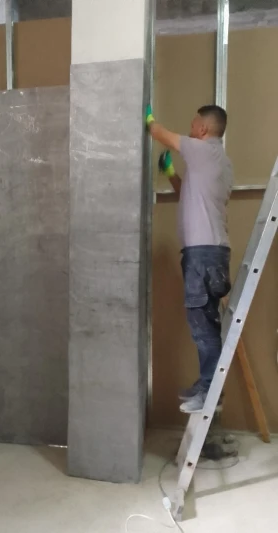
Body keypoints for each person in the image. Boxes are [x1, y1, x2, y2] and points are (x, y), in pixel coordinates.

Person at [146, 104, 234, 414]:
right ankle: (208, 384)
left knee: (202, 325)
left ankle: (210, 391)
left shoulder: (200, 149)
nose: (190, 127)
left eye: (194, 123)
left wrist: (147, 117)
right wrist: (171, 174)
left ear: (203, 129)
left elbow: (159, 133)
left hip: (202, 254)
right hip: (214, 253)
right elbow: (190, 194)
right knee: (206, 321)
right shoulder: (221, 162)